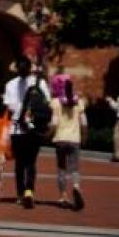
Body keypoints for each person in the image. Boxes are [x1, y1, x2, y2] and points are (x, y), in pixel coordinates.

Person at [3, 57, 50, 208]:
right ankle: (29, 191)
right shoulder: (40, 82)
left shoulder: (10, 84)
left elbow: (9, 108)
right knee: (31, 162)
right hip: (35, 128)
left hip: (17, 128)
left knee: (20, 163)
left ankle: (19, 193)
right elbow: (47, 103)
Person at [50, 78, 87, 210]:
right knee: (74, 168)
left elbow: (54, 122)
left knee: (61, 169)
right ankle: (76, 186)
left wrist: (48, 134)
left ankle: (63, 196)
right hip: (74, 139)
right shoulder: (79, 102)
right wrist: (84, 136)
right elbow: (84, 122)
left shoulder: (55, 102)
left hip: (60, 139)